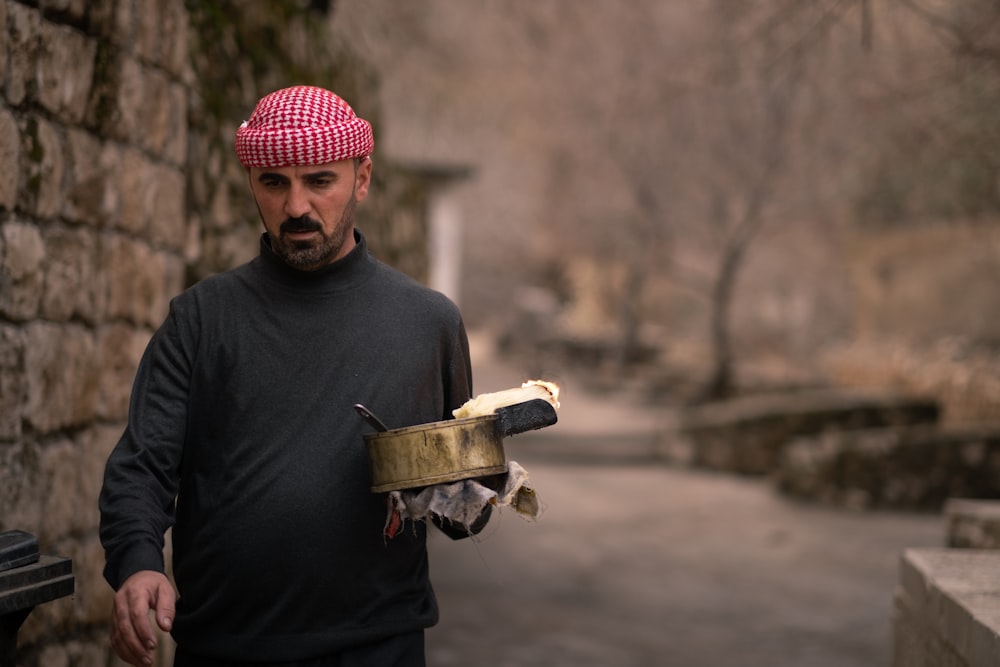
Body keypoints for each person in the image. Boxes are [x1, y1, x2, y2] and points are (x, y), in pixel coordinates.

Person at [99, 85, 489, 667]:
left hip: (379, 649)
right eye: (274, 182)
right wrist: (137, 564)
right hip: (224, 648)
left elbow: (464, 511)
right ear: (253, 185)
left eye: (319, 181)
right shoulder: (201, 319)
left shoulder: (428, 323)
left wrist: (472, 481)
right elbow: (142, 467)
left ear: (361, 179)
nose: (297, 206)